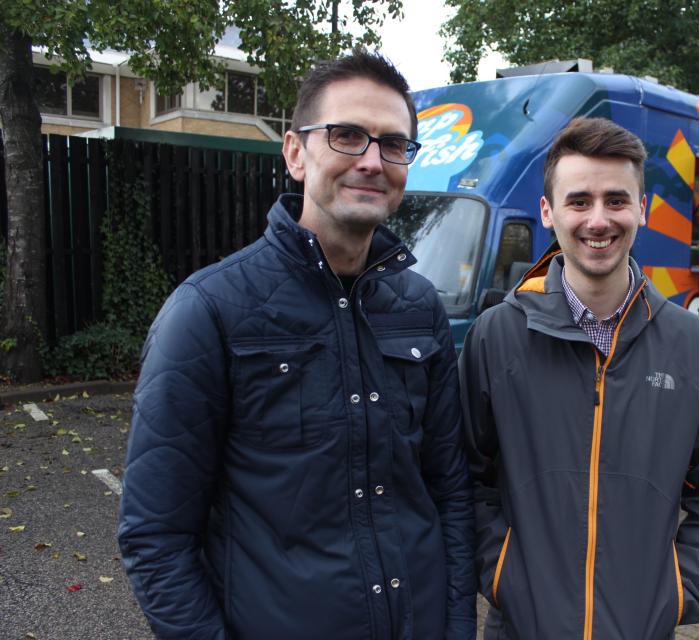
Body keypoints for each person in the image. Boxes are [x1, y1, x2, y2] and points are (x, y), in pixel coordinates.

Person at [117, 50, 476, 640]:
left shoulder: (419, 307)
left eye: (393, 144)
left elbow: (450, 495)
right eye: (346, 136)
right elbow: (156, 535)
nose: (371, 160)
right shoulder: (209, 311)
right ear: (294, 153)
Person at [460, 117, 699, 640]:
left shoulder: (694, 346)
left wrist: (680, 588)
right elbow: (466, 478)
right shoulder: (496, 336)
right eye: (579, 201)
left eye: (616, 200)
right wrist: (503, 573)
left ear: (641, 209)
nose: (598, 219)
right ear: (548, 212)